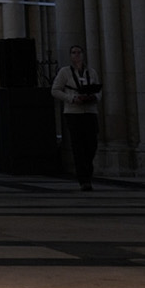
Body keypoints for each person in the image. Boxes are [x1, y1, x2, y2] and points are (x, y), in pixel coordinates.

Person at [50, 44, 101, 190]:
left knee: (91, 145)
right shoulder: (65, 72)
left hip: (90, 112)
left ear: (83, 54)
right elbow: (55, 90)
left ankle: (87, 173)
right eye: (73, 52)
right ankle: (84, 180)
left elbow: (99, 91)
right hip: (73, 113)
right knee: (78, 146)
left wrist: (94, 97)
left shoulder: (91, 72)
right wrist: (72, 99)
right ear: (70, 56)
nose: (77, 55)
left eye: (79, 52)